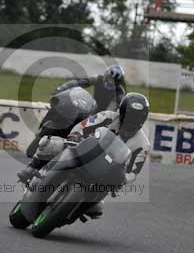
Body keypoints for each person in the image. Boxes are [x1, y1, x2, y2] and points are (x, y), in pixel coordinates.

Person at [17, 92, 151, 218]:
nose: (132, 121)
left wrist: (122, 180)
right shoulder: (108, 117)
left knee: (97, 208)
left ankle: (77, 209)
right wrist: (76, 136)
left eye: (136, 118)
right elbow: (84, 125)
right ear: (121, 112)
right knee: (49, 144)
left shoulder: (143, 144)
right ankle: (32, 168)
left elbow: (133, 171)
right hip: (84, 151)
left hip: (106, 171)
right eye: (129, 116)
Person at [54, 64, 126, 112]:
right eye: (110, 79)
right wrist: (62, 88)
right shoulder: (98, 79)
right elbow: (79, 82)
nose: (112, 82)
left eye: (115, 81)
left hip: (104, 117)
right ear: (106, 76)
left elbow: (119, 106)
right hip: (89, 109)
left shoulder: (120, 91)